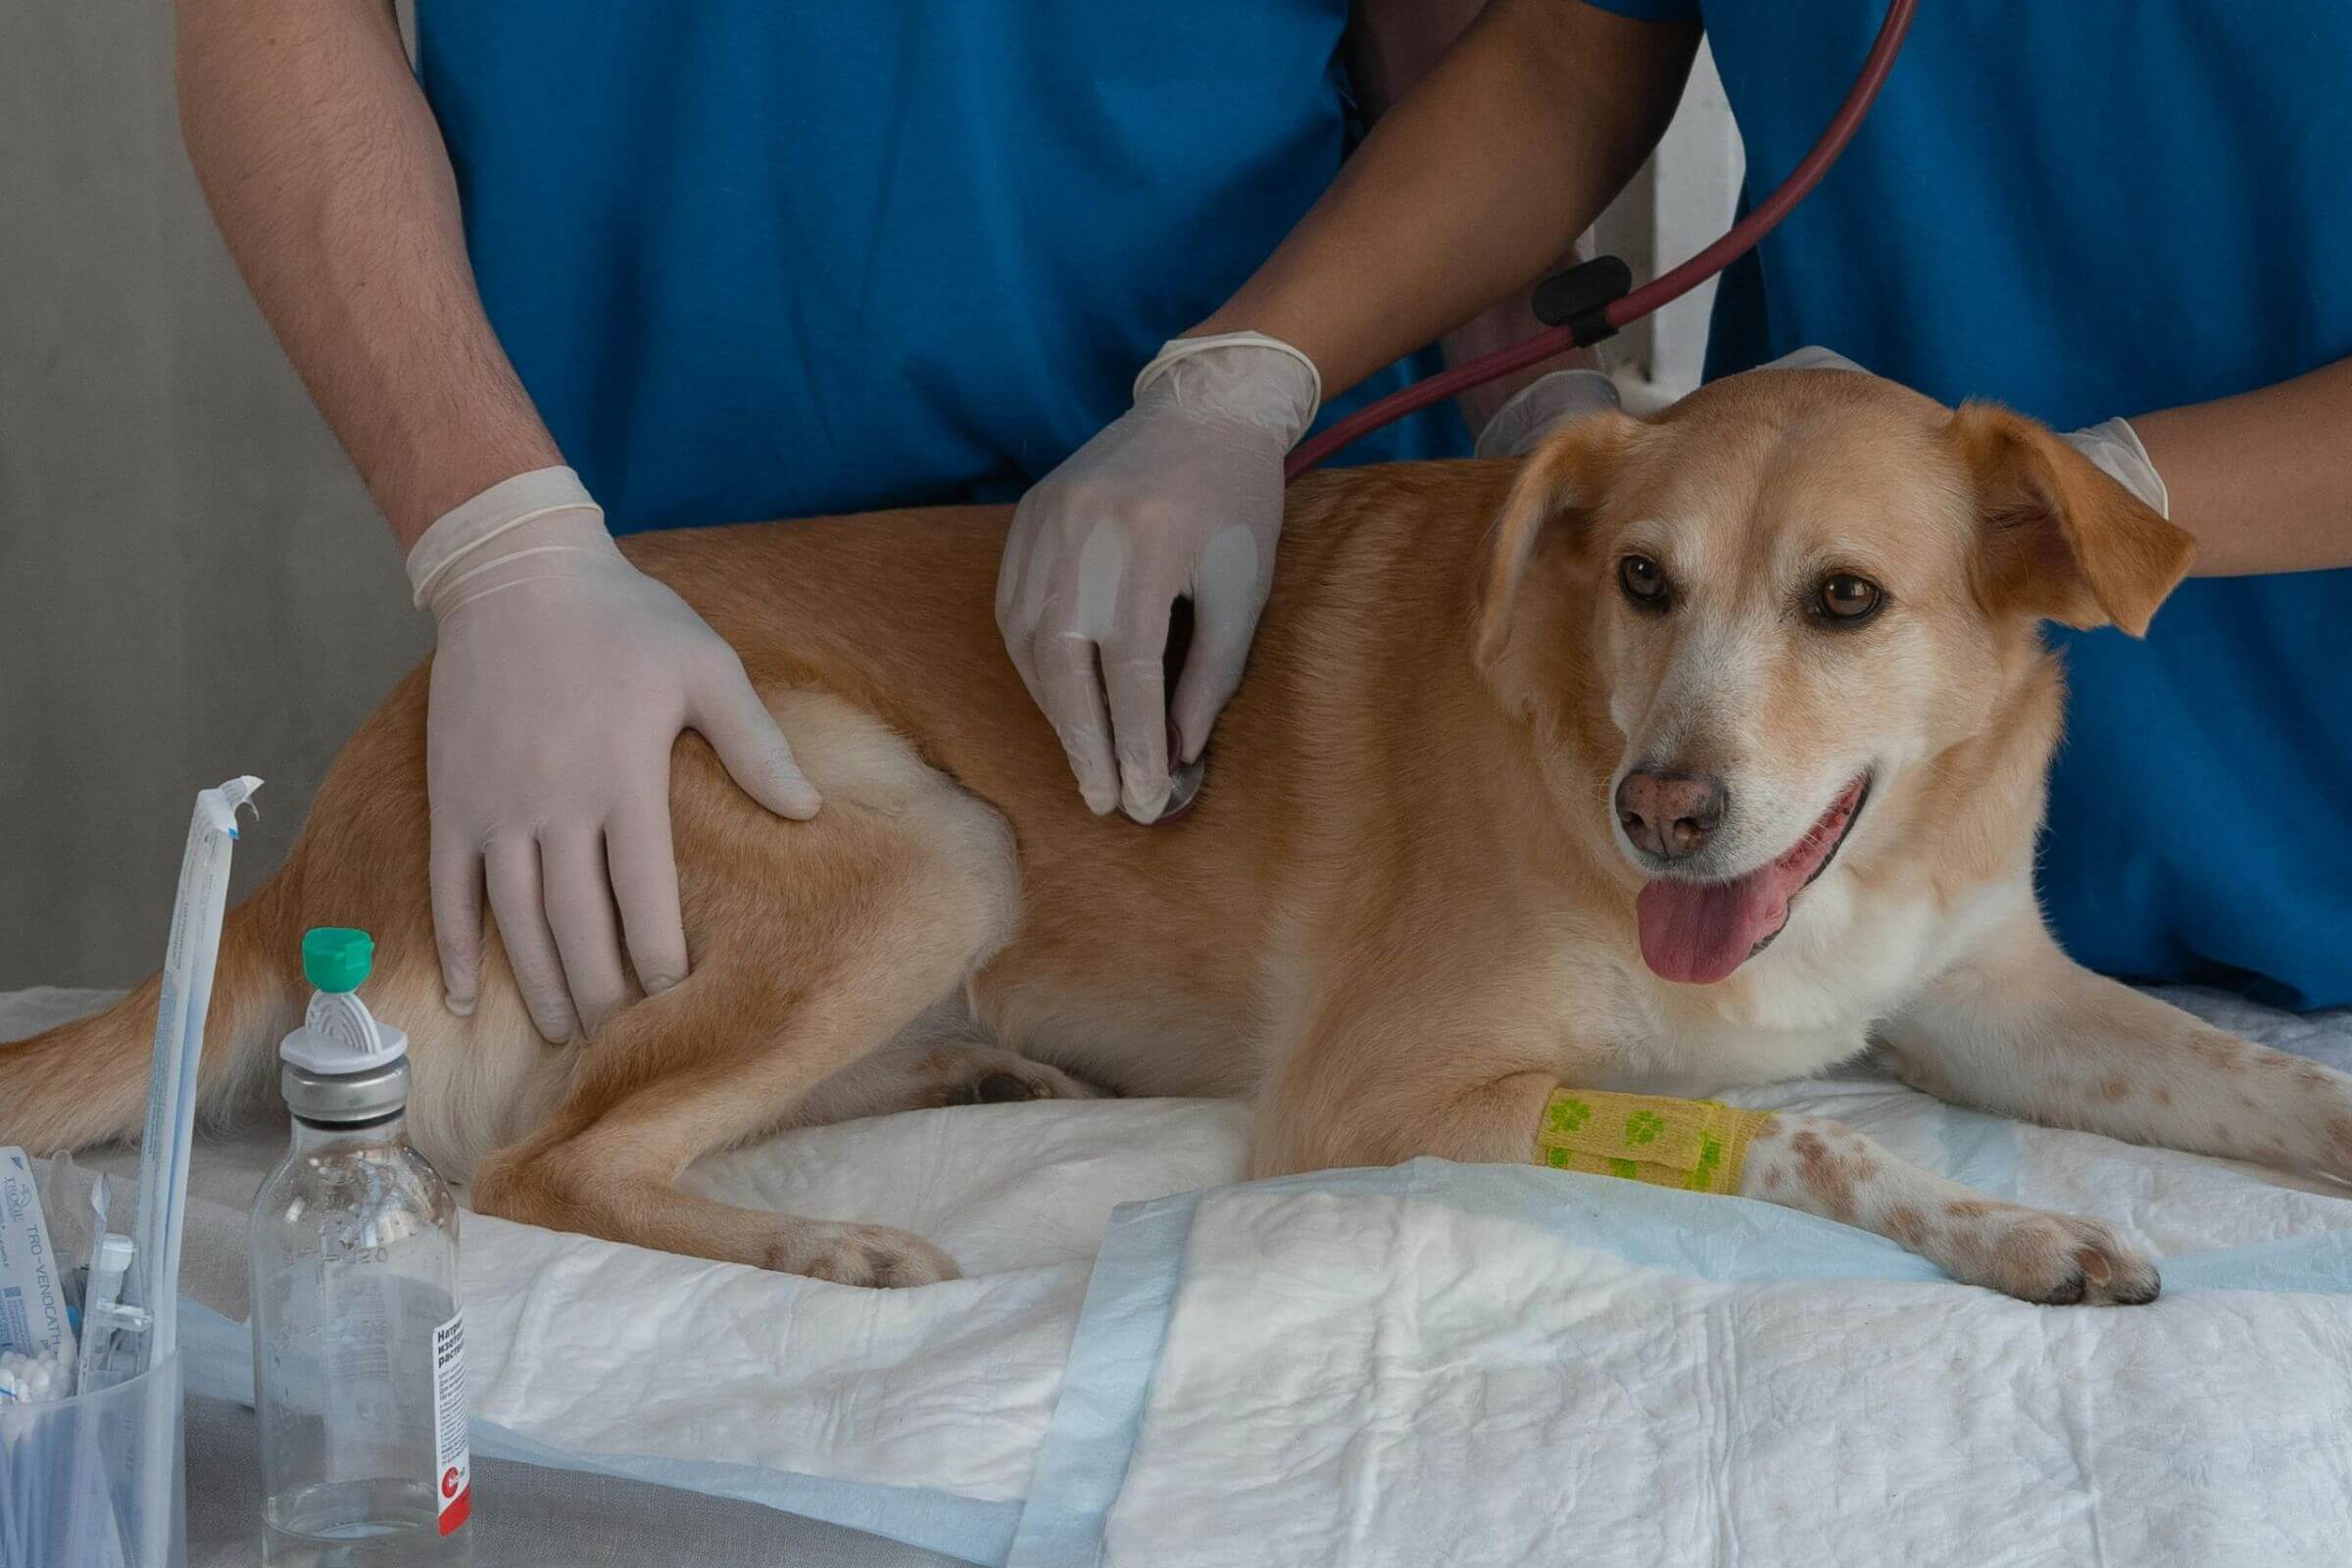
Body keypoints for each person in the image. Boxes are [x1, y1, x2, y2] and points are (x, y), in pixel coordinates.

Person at [176, 0, 1584, 1044]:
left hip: (1243, 608)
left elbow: (1488, 45)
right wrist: (494, 536)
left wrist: (1534, 416)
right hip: (697, 660)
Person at [1018, 0, 2352, 1008]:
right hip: (1794, 817)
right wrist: (1238, 380)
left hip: (2292, 773)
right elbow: (1568, 59)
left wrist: (2089, 507)